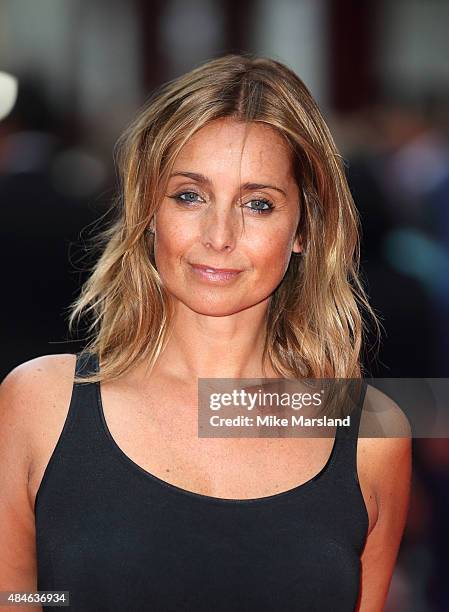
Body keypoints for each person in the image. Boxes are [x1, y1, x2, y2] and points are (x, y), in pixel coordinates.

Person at [0, 53, 411, 611]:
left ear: (304, 229)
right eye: (190, 195)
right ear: (149, 209)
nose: (219, 235)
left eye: (258, 204)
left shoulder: (368, 432)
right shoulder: (40, 403)